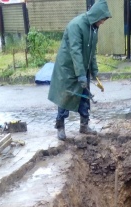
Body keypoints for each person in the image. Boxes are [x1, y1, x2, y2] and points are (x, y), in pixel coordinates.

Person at [48, 0, 111, 140]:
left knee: (85, 95)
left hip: (83, 68)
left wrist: (94, 71)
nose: (103, 22)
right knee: (66, 96)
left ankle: (84, 125)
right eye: (102, 19)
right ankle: (60, 126)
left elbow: (92, 52)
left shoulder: (94, 29)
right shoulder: (76, 25)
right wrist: (80, 74)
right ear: (96, 15)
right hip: (68, 68)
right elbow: (75, 51)